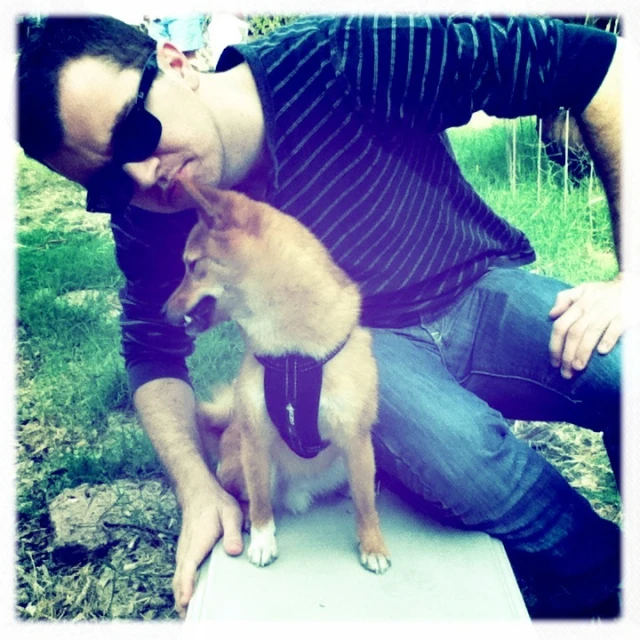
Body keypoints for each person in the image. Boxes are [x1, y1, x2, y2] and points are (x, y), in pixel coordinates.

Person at [17, 14, 627, 620]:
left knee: (622, 365)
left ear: (176, 63)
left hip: (482, 288)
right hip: (357, 348)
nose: (140, 176)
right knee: (462, 459)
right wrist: (198, 488)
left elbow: (601, 66)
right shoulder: (149, 214)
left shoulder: (347, 55)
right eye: (105, 186)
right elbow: (149, 346)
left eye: (132, 133)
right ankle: (601, 574)